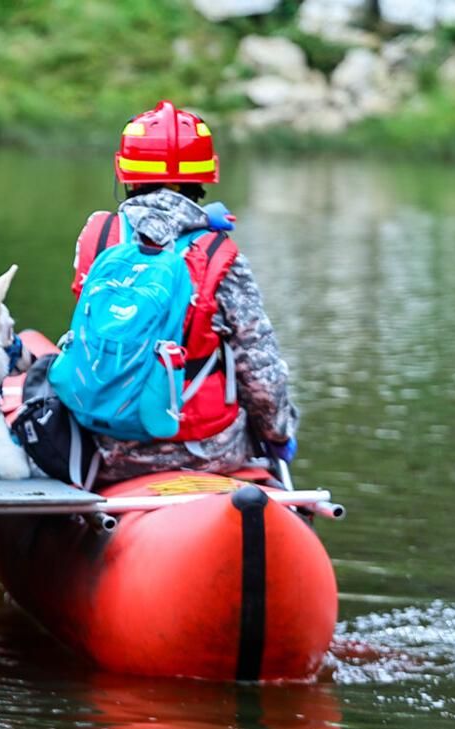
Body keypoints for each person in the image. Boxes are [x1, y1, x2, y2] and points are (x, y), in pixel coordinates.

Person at [65, 100, 297, 483]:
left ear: (127, 174)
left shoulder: (98, 235)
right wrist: (278, 434)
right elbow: (259, 369)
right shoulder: (220, 252)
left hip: (104, 442)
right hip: (205, 448)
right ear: (201, 178)